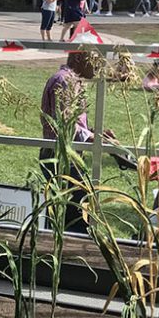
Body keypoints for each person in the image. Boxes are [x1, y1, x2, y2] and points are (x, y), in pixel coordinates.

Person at [40, 51, 113, 232]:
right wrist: (92, 137)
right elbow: (65, 123)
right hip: (60, 156)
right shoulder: (65, 81)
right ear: (79, 59)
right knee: (75, 213)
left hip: (66, 155)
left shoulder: (71, 81)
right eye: (95, 60)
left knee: (68, 209)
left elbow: (73, 122)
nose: (98, 67)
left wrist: (95, 132)